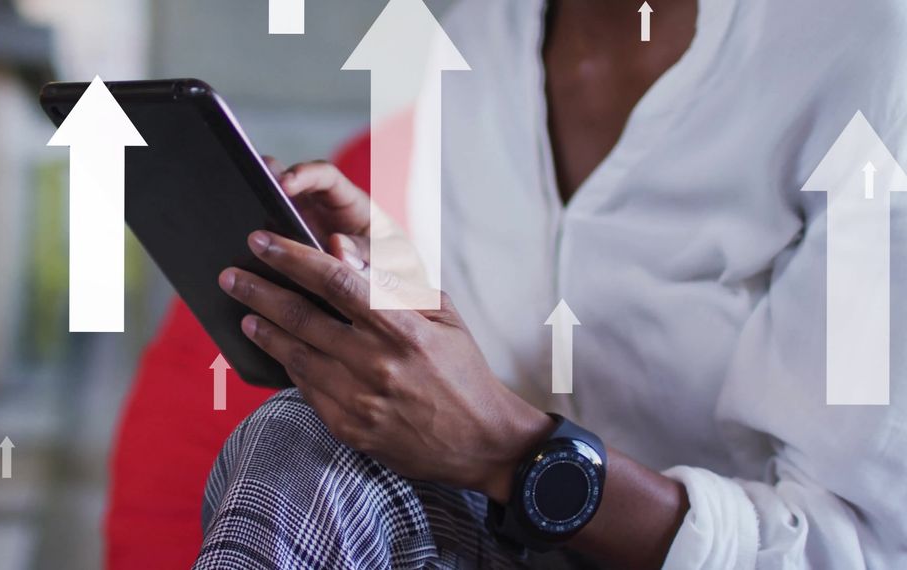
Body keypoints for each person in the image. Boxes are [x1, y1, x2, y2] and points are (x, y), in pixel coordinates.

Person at [195, 0, 907, 568]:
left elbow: (862, 549)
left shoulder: (867, 53)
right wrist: (392, 293)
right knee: (308, 433)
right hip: (499, 544)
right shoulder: (479, 38)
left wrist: (514, 454)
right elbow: (489, 385)